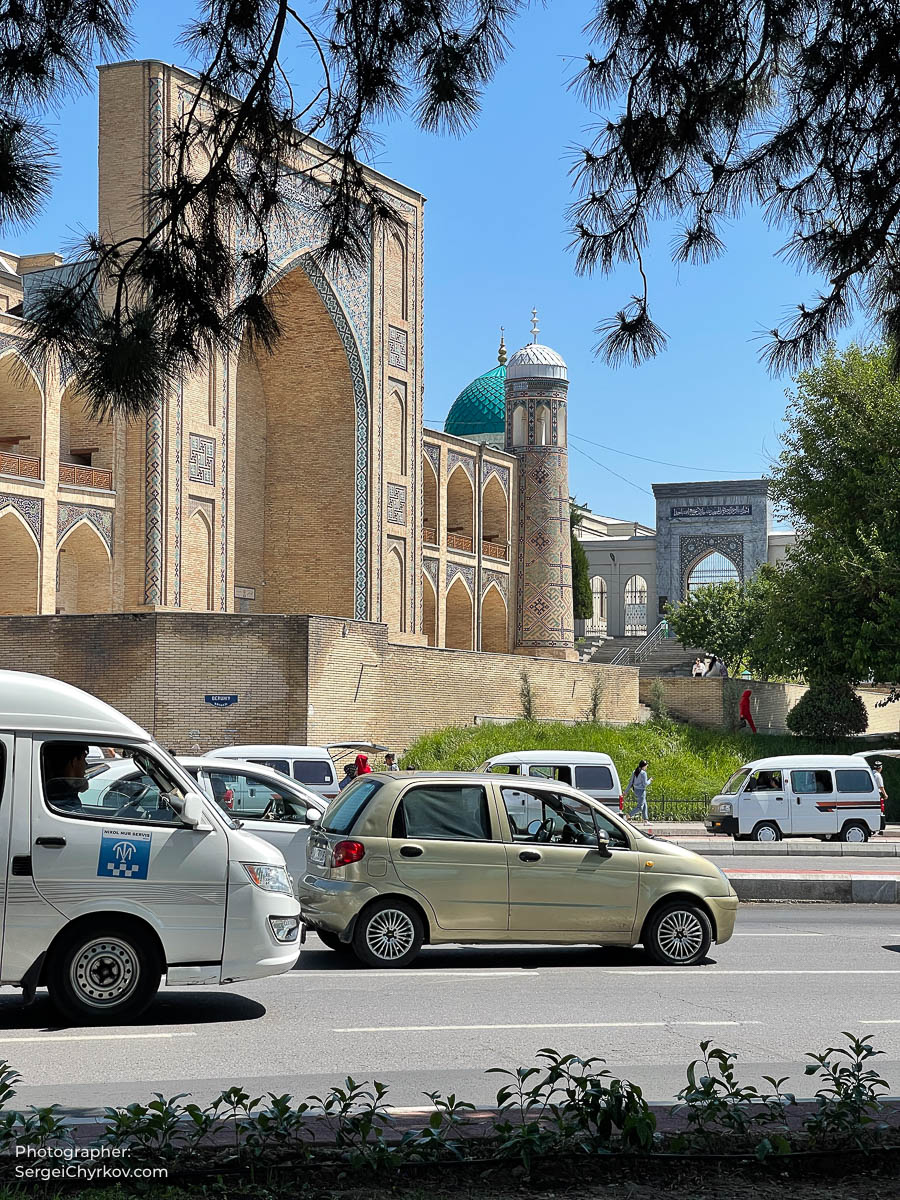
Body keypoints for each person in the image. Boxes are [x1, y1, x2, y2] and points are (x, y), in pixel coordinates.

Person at [43, 742, 91, 813]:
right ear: (74, 761)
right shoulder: (64, 800)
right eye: (83, 759)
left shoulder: (52, 790)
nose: (86, 764)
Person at [873, 760, 888, 834]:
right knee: (880, 811)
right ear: (880, 768)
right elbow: (881, 787)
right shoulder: (878, 775)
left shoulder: (872, 773)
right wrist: (885, 794)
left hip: (872, 794)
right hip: (878, 794)